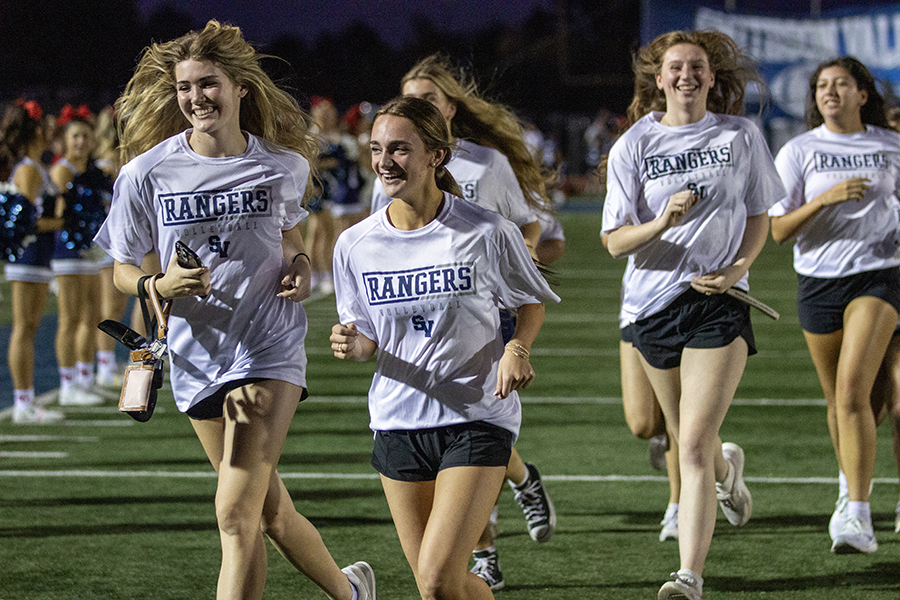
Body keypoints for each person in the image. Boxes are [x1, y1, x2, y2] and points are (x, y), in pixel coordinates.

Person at [93, 21, 374, 600]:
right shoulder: (146, 173)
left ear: (241, 86)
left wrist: (298, 267)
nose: (196, 98)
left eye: (209, 83)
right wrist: (158, 282)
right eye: (185, 87)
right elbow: (123, 267)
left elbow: (289, 238)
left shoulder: (281, 165)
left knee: (233, 514)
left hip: (267, 347)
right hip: (197, 356)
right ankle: (352, 595)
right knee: (267, 512)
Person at [330, 95, 559, 600]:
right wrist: (354, 343)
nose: (385, 161)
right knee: (440, 588)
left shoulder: (484, 230)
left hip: (477, 418)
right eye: (377, 149)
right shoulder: (354, 245)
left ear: (436, 155)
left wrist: (517, 349)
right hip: (397, 422)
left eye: (400, 149)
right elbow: (368, 337)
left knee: (435, 579)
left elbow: (532, 303)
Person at [602, 30, 785, 599]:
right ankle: (730, 473)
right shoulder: (634, 144)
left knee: (696, 443)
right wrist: (662, 222)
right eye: (675, 68)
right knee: (683, 438)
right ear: (658, 80)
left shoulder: (740, 135)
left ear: (711, 77)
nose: (687, 75)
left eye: (697, 67)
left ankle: (688, 576)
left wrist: (737, 269)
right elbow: (613, 241)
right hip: (651, 307)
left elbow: (759, 216)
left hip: (718, 303)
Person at [769, 56, 900, 554]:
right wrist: (826, 199)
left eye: (841, 84)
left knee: (851, 393)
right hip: (819, 282)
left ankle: (858, 518)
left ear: (862, 94)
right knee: (846, 401)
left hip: (880, 275)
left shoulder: (890, 145)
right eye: (822, 85)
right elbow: (778, 230)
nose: (830, 92)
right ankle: (850, 487)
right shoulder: (799, 150)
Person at [1, 101, 65, 424]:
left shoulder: (35, 166)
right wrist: (64, 223)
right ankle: (23, 402)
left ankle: (26, 399)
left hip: (37, 259)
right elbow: (23, 221)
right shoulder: (28, 169)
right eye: (48, 127)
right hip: (27, 258)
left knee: (29, 328)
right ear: (38, 131)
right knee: (24, 330)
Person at [49, 105, 107, 406]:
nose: (81, 142)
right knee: (69, 319)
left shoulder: (92, 172)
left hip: (89, 252)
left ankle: (85, 377)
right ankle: (68, 383)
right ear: (65, 140)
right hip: (66, 251)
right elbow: (54, 215)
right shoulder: (62, 170)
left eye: (86, 136)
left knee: (93, 316)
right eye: (75, 136)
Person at [91, 105, 129, 387]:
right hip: (109, 242)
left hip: (120, 240)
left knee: (116, 306)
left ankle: (107, 363)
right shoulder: (105, 165)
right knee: (110, 308)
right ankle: (103, 366)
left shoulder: (120, 160)